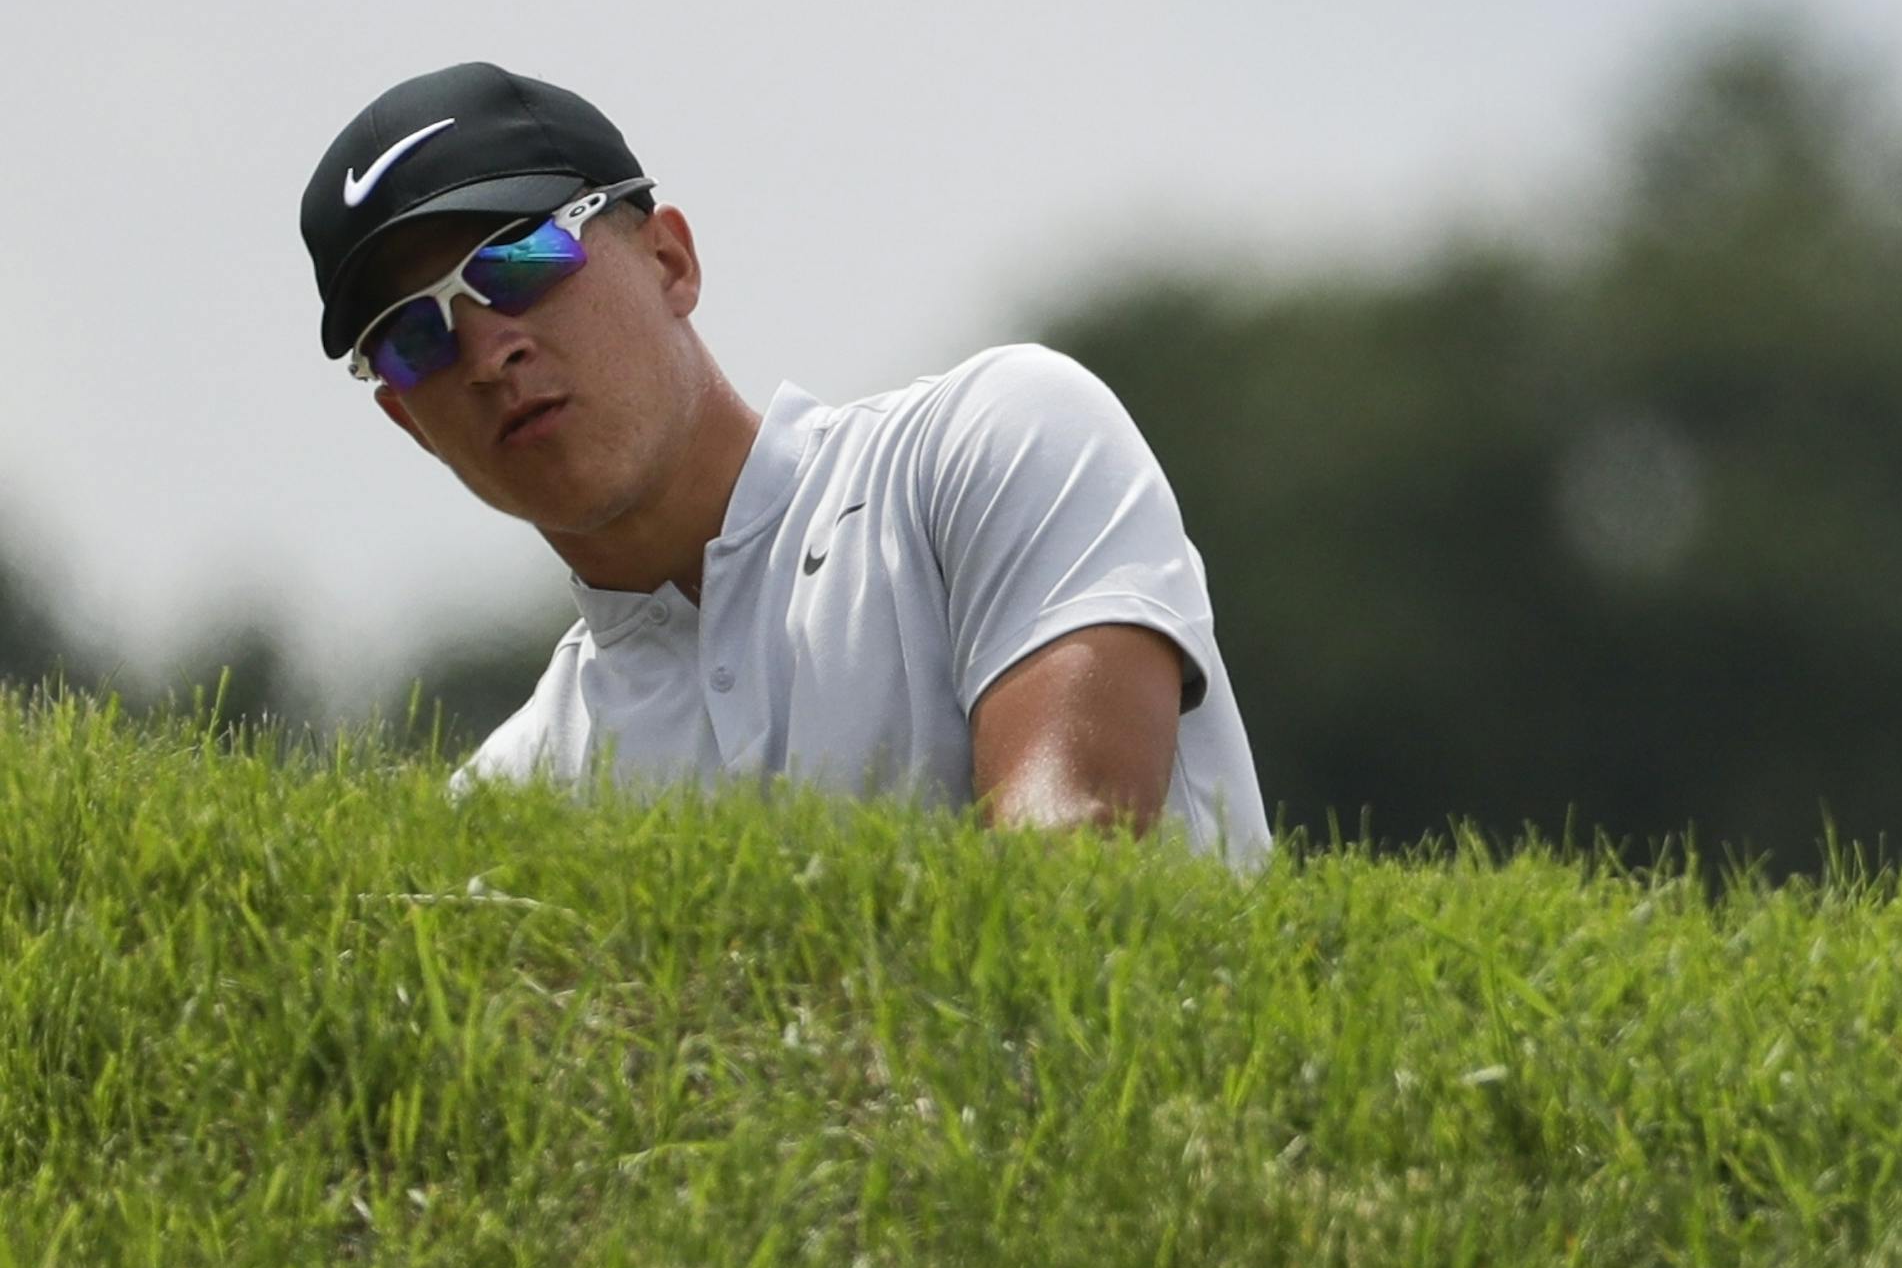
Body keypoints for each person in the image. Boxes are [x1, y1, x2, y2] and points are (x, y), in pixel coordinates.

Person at [300, 62, 1270, 868]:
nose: (487, 352)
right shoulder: (505, 806)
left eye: (518, 261)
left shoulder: (992, 441)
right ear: (405, 416)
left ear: (669, 259)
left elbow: (1070, 881)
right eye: (414, 337)